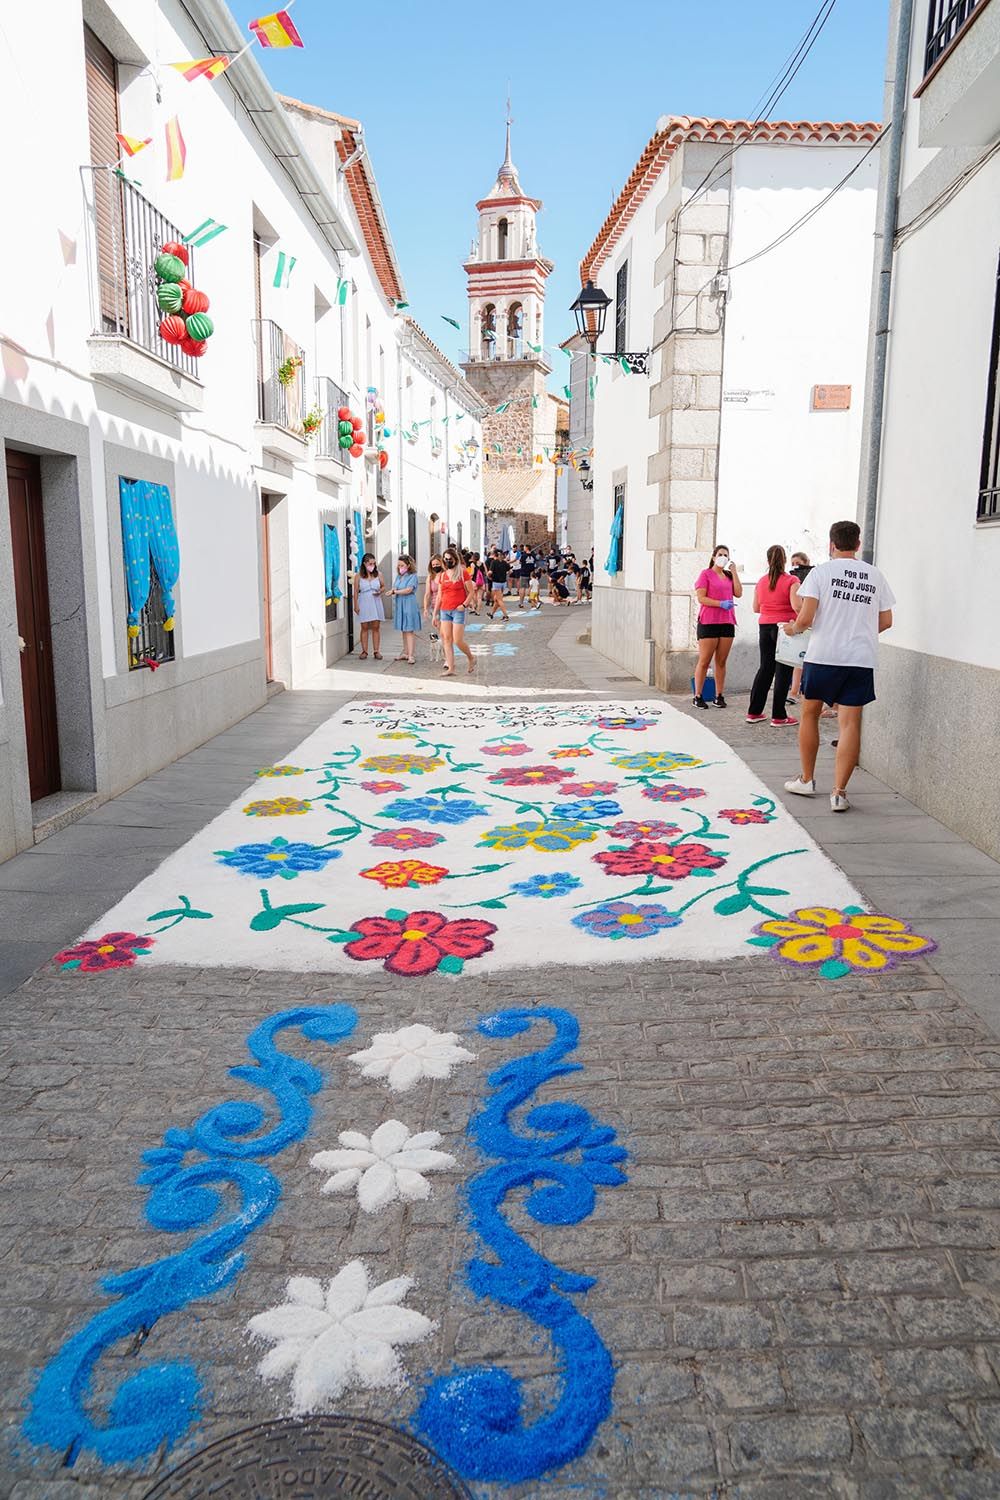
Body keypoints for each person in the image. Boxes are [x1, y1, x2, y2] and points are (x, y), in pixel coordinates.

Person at [783, 519, 896, 813]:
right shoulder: (875, 575)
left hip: (823, 656)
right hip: (859, 658)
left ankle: (807, 779)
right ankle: (839, 793)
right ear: (858, 544)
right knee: (849, 724)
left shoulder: (821, 573)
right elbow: (885, 621)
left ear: (831, 544)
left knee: (810, 714)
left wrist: (793, 630)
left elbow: (806, 619)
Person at [746, 545, 799, 726]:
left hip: (765, 626)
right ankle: (779, 715)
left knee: (765, 669)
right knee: (783, 671)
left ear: (768, 560)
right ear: (784, 560)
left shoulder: (761, 582)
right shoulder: (792, 580)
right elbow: (797, 606)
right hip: (784, 628)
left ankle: (754, 712)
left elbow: (755, 607)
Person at [693, 545, 741, 708]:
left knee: (721, 661)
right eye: (720, 554)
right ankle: (698, 696)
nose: (723, 557)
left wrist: (734, 573)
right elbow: (701, 598)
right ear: (714, 557)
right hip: (709, 622)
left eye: (726, 555)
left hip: (727, 622)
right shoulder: (705, 574)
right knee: (705, 660)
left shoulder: (728, 576)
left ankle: (719, 695)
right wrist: (720, 604)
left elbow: (738, 592)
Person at [433, 547, 476, 675]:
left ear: (455, 559)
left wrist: (464, 604)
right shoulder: (443, 575)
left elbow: (471, 591)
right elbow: (440, 596)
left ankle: (471, 657)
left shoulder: (463, 573)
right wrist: (435, 614)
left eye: (449, 559)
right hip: (445, 610)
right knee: (447, 639)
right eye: (445, 559)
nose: (447, 561)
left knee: (457, 640)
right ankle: (451, 668)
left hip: (458, 610)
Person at [788, 552, 812, 704]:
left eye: (797, 562)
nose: (794, 566)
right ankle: (794, 691)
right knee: (798, 660)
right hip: (800, 621)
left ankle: (801, 692)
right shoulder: (793, 577)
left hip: (808, 621)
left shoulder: (811, 575)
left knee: (807, 660)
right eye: (792, 563)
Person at [390, 554, 421, 665]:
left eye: (402, 565)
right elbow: (395, 587)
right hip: (400, 604)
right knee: (404, 630)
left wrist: (395, 592)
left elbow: (409, 590)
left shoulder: (413, 576)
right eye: (398, 565)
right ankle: (406, 652)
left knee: (409, 630)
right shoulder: (399, 577)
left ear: (408, 565)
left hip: (409, 603)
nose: (400, 567)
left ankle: (411, 655)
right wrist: (392, 591)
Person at [353, 553, 385, 660]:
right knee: (364, 627)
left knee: (376, 627)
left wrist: (380, 591)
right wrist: (356, 605)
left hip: (376, 601)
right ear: (364, 564)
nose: (372, 565)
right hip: (364, 601)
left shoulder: (379, 574)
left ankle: (376, 651)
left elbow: (383, 586)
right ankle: (364, 651)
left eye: (374, 563)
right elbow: (356, 592)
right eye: (370, 563)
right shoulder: (358, 576)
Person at [487, 550, 511, 621]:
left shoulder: (494, 562)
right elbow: (510, 571)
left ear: (495, 555)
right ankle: (491, 614)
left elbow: (490, 572)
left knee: (499, 600)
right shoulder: (505, 563)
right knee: (497, 600)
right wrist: (505, 574)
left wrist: (488, 576)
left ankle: (506, 616)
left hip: (496, 582)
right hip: (503, 583)